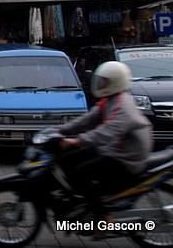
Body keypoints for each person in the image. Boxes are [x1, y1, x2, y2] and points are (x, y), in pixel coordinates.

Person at [58, 61, 152, 217]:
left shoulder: (123, 106)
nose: (101, 84)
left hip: (127, 158)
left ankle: (102, 216)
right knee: (69, 159)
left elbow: (105, 132)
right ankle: (86, 199)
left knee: (81, 171)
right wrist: (59, 130)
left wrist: (77, 140)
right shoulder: (110, 99)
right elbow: (87, 119)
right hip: (113, 149)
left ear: (116, 82)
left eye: (105, 81)